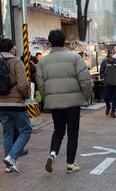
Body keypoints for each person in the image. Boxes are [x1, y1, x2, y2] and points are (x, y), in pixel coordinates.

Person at [36, 29, 92, 174]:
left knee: (58, 130)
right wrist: (86, 97)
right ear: (64, 41)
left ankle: (53, 153)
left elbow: (41, 84)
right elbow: (85, 80)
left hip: (55, 102)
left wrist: (48, 98)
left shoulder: (43, 62)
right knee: (73, 133)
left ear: (50, 43)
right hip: (73, 103)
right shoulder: (75, 58)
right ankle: (70, 163)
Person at [0, 38, 31, 173]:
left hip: (0, 105)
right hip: (16, 104)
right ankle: (12, 156)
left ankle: (9, 165)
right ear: (12, 49)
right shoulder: (17, 63)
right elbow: (23, 85)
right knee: (26, 130)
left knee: (7, 134)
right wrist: (26, 96)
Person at [100, 50, 116, 118]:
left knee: (115, 98)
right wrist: (104, 79)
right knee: (106, 98)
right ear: (109, 54)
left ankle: (112, 112)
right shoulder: (104, 62)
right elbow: (101, 71)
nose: (112, 54)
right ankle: (108, 106)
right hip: (107, 83)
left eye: (113, 53)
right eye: (111, 53)